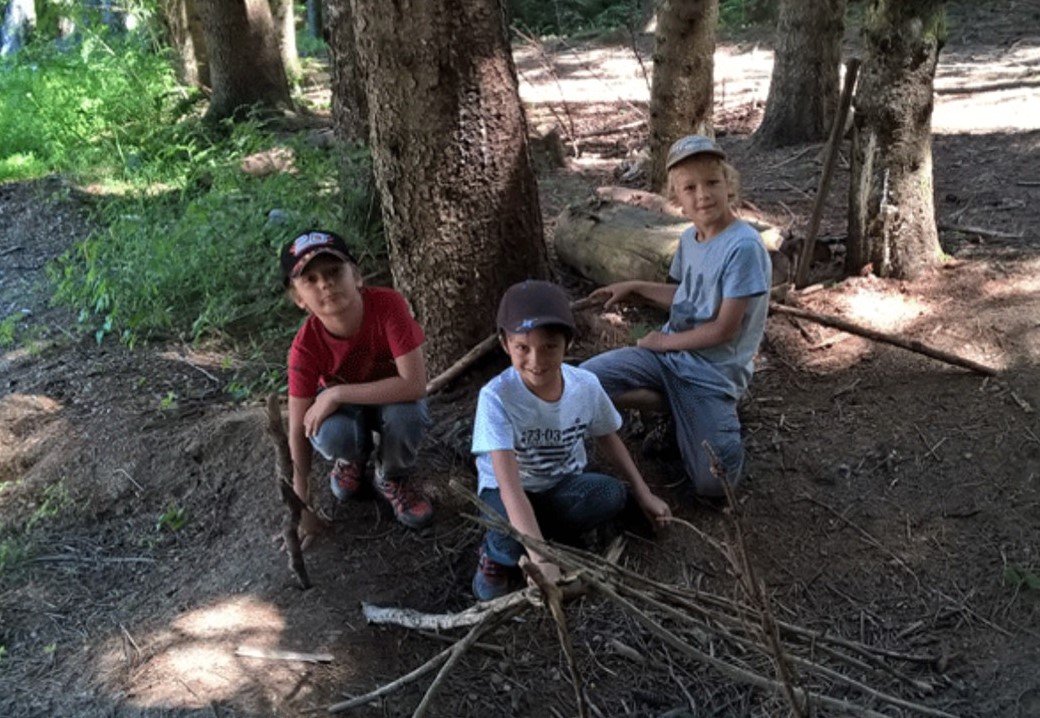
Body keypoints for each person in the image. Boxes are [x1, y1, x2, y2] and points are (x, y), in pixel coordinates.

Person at [581, 135, 772, 498]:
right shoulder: (690, 239)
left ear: (728, 184)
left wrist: (662, 342)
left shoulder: (743, 247)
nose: (703, 194)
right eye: (690, 187)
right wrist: (635, 286)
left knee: (715, 485)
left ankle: (709, 419)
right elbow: (687, 298)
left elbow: (724, 329)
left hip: (711, 375)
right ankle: (678, 409)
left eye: (713, 182)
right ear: (677, 199)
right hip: (671, 360)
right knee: (588, 381)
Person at [470, 280, 672, 601]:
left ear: (568, 343)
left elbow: (609, 436)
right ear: (505, 343)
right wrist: (540, 557)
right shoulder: (497, 397)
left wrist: (643, 492)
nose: (536, 360)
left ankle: (539, 534)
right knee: (504, 529)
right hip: (510, 492)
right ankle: (498, 553)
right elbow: (508, 485)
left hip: (560, 484)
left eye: (549, 346)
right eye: (523, 347)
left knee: (610, 495)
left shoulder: (585, 386)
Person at [281, 229, 433, 544]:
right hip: (349, 413)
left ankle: (391, 475)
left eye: (335, 271)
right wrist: (302, 504)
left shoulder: (389, 306)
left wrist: (337, 393)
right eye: (310, 279)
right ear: (298, 298)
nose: (325, 283)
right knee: (323, 430)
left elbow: (415, 385)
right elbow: (297, 429)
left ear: (357, 276)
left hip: (393, 399)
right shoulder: (305, 347)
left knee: (409, 416)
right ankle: (352, 459)